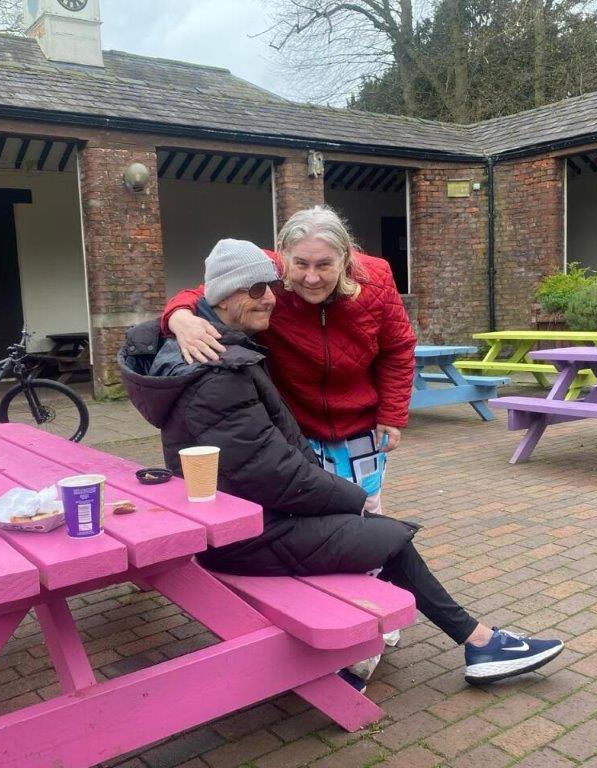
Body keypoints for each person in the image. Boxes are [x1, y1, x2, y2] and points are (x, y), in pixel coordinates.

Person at [121, 238, 564, 687]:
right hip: (243, 534)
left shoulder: (219, 346)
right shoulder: (217, 371)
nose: (274, 297)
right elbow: (268, 473)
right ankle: (455, 646)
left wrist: (380, 431)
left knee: (373, 536)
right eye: (258, 290)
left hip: (241, 517)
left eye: (272, 286)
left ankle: (449, 645)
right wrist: (354, 500)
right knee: (383, 537)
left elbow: (395, 349)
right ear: (226, 296)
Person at [162, 207, 415, 515]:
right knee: (308, 513)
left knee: (364, 506)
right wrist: (179, 316)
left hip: (359, 424)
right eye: (300, 264)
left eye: (324, 264)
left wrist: (392, 413)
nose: (311, 277)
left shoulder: (377, 278)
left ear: (344, 259)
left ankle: (369, 564)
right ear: (283, 257)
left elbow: (398, 348)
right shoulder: (266, 276)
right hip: (294, 426)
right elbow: (206, 293)